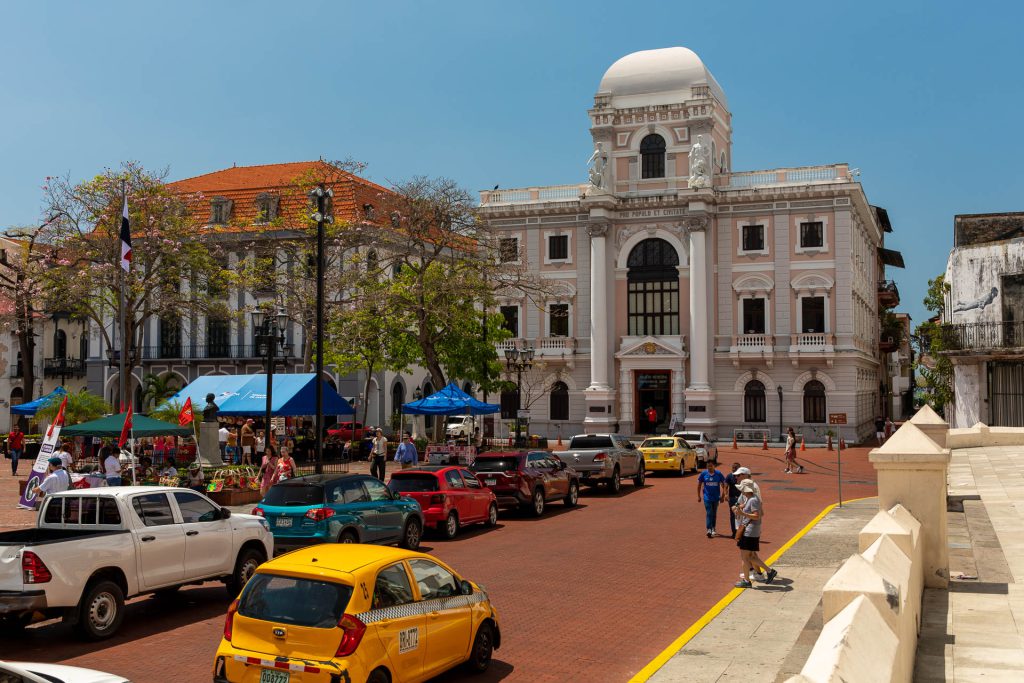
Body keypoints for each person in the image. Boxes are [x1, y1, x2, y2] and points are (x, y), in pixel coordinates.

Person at [733, 480, 777, 588]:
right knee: (751, 556)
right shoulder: (752, 498)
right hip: (753, 531)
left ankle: (747, 581)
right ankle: (769, 571)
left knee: (745, 557)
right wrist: (740, 507)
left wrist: (742, 513)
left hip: (749, 531)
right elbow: (760, 513)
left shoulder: (752, 500)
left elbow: (757, 515)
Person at [697, 460, 727, 538]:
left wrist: (723, 496)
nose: (709, 467)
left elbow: (724, 485)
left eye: (711, 466)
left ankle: (713, 528)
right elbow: (699, 485)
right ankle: (709, 529)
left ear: (714, 466)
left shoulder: (718, 474)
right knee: (709, 512)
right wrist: (699, 496)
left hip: (716, 498)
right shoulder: (703, 474)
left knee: (714, 513)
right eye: (708, 466)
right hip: (707, 497)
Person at [725, 462, 742, 538]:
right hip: (732, 498)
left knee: (740, 515)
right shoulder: (729, 476)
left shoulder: (741, 477)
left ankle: (740, 532)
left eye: (736, 467)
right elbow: (726, 486)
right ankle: (734, 532)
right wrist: (725, 494)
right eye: (733, 467)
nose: (734, 469)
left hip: (740, 498)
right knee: (732, 515)